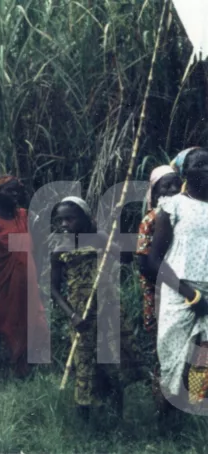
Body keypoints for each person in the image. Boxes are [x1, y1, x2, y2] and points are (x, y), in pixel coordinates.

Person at [51, 196, 141, 420]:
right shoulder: (59, 249)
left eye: (69, 219)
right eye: (60, 220)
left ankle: (116, 414)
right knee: (84, 363)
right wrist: (72, 315)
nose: (64, 225)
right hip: (80, 316)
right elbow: (52, 289)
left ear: (84, 218)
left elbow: (127, 257)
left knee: (112, 360)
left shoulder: (100, 239)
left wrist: (115, 232)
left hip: (108, 310)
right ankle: (85, 419)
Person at [148, 147, 208, 411]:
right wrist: (190, 294)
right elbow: (154, 260)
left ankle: (195, 409)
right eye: (200, 165)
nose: (206, 170)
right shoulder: (173, 205)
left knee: (202, 356)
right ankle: (167, 414)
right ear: (185, 172)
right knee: (172, 356)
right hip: (179, 292)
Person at [0, 175, 49, 377]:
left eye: (17, 190)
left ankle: (32, 369)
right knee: (9, 327)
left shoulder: (24, 216)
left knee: (36, 323)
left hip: (27, 279)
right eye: (10, 191)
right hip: (3, 284)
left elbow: (34, 247)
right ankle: (11, 373)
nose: (15, 195)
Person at [135, 166, 182, 413]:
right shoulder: (151, 220)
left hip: (184, 293)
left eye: (177, 184)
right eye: (166, 186)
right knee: (163, 349)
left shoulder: (187, 216)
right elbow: (145, 263)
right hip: (159, 293)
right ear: (154, 192)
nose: (173, 190)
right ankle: (163, 407)